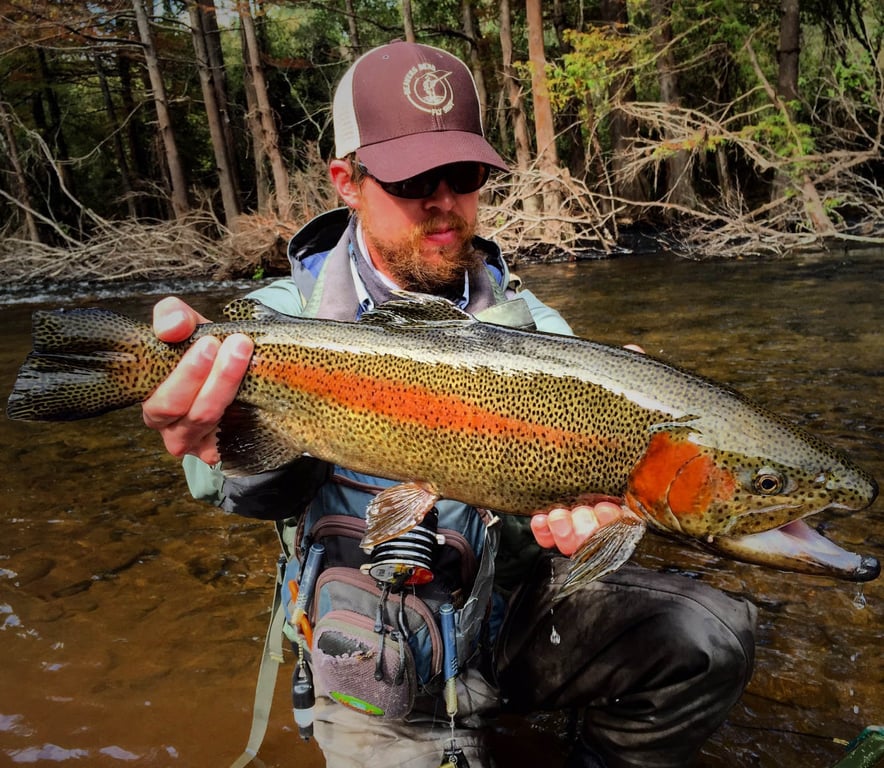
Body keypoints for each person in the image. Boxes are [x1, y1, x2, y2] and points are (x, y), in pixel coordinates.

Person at [142, 41, 756, 768]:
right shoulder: (274, 324)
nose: (443, 201)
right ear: (347, 179)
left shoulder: (538, 333)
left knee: (710, 637)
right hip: (374, 642)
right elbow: (237, 490)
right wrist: (220, 449)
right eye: (411, 178)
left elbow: (563, 528)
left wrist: (599, 515)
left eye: (461, 175)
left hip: (509, 616)